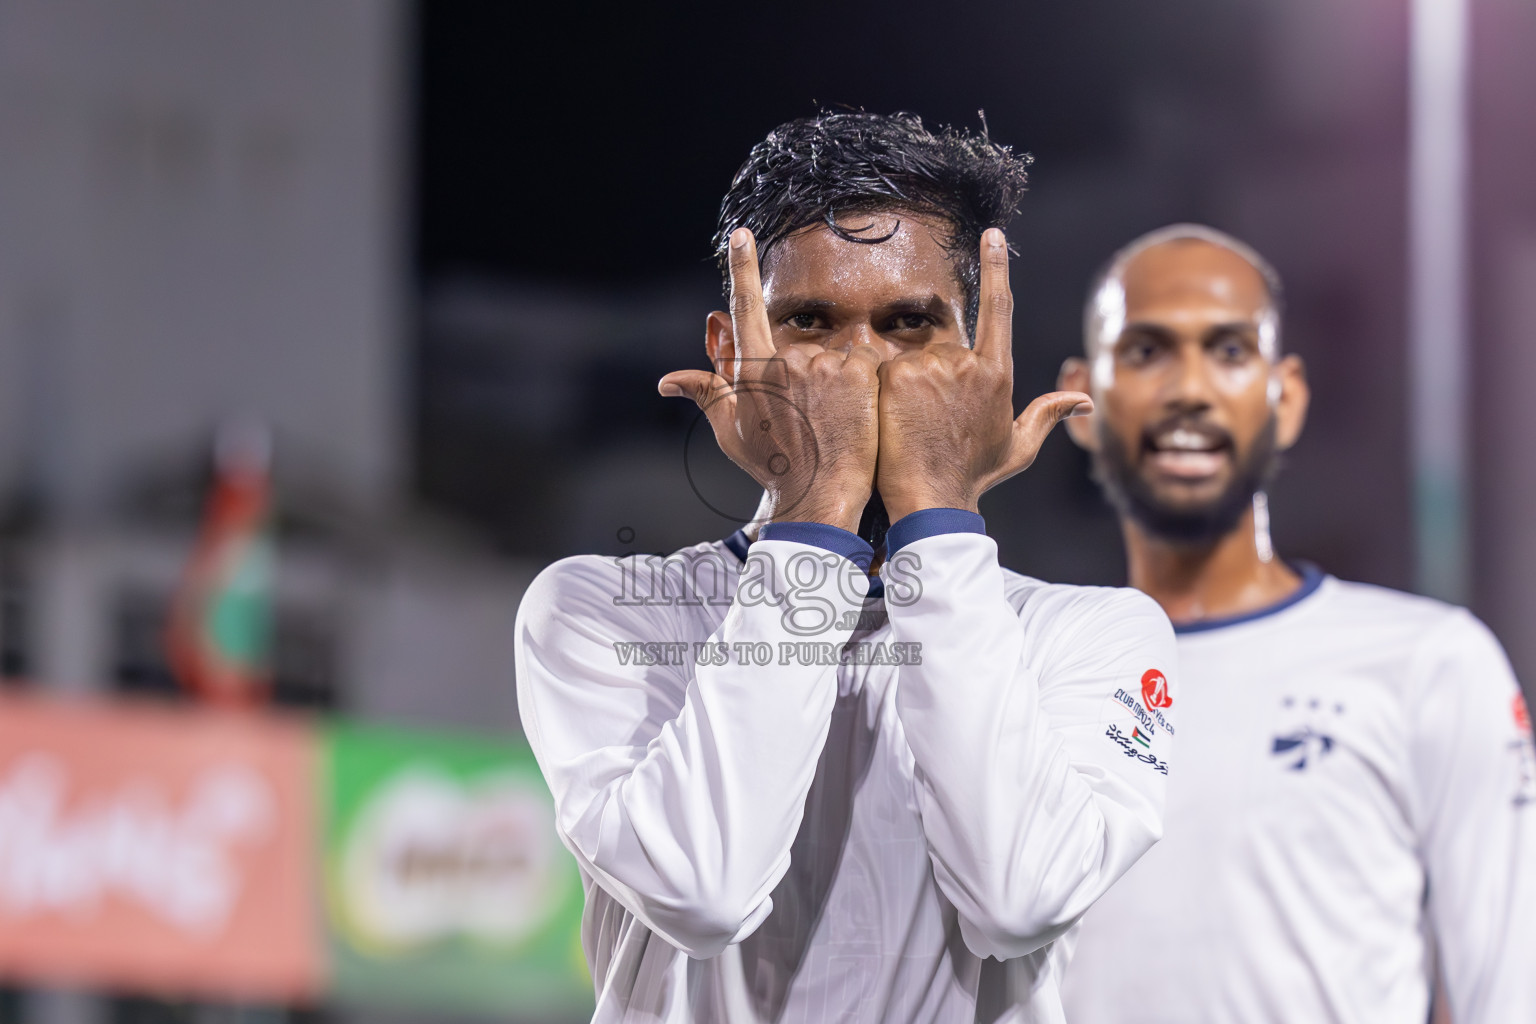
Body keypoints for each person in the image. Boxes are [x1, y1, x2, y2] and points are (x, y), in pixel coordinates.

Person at [513, 112, 1179, 1023]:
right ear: (729, 354)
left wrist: (938, 520)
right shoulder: (598, 611)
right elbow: (703, 891)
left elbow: (1017, 899)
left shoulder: (1095, 634)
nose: (858, 366)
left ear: (986, 364)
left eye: (909, 325)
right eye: (811, 324)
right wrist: (817, 507)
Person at [1056, 224, 1536, 1023]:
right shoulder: (1032, 671)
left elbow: (1509, 994)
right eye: (1146, 351)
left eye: (1231, 351)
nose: (1190, 389)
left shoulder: (1430, 663)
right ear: (1081, 400)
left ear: (1288, 397)